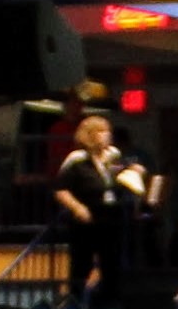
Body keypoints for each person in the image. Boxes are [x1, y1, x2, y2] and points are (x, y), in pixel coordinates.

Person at [51, 111, 145, 299]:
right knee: (80, 265)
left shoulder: (114, 157)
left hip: (110, 219)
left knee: (111, 265)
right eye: (101, 131)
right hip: (86, 221)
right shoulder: (77, 160)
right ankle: (75, 304)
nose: (107, 135)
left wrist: (135, 172)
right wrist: (78, 207)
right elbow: (60, 189)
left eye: (107, 131)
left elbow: (123, 179)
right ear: (90, 135)